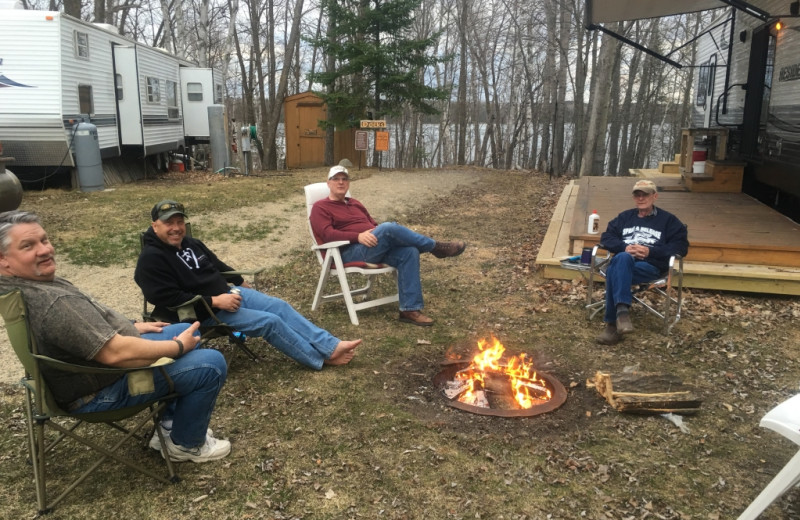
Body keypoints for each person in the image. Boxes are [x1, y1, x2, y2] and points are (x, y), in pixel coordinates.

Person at [0, 210, 231, 463]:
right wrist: (176, 348)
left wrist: (130, 326)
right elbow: (115, 353)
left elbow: (82, 329)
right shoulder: (54, 302)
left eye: (44, 240)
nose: (44, 250)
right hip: (100, 391)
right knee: (211, 363)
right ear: (4, 260)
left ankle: (168, 424)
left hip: (84, 372)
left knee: (185, 328)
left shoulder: (22, 286)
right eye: (28, 246)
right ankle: (186, 444)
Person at [135, 200, 361, 369]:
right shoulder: (151, 258)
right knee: (270, 322)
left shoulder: (191, 243)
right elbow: (164, 296)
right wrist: (215, 301)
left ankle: (331, 345)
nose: (176, 228)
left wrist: (240, 282)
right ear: (155, 226)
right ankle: (320, 359)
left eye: (179, 222)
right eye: (168, 223)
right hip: (204, 312)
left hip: (230, 294)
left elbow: (218, 265)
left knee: (279, 306)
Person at [309, 165, 467, 326]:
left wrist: (375, 232)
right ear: (328, 183)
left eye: (344, 179)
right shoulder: (320, 207)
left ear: (348, 183)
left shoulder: (355, 203)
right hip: (348, 253)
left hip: (373, 246)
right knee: (388, 228)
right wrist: (357, 236)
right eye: (336, 179)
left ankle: (409, 309)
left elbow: (373, 224)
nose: (340, 182)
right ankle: (435, 247)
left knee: (410, 251)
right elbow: (328, 235)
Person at [595, 180, 689, 345]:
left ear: (655, 196)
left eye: (645, 194)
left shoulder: (668, 221)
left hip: (649, 266)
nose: (641, 198)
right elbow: (607, 237)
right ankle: (622, 313)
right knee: (622, 259)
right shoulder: (624, 217)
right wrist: (624, 247)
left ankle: (612, 324)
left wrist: (650, 251)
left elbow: (681, 246)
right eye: (637, 195)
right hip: (624, 262)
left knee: (613, 270)